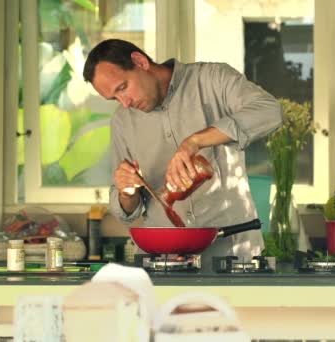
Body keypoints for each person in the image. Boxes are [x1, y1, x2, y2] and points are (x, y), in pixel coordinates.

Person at [83, 39, 282, 271]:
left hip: (232, 255)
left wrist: (195, 141)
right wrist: (127, 191)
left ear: (140, 61)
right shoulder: (122, 122)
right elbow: (127, 213)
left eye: (122, 88)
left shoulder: (212, 79)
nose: (124, 103)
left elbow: (269, 110)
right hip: (162, 263)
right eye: (114, 98)